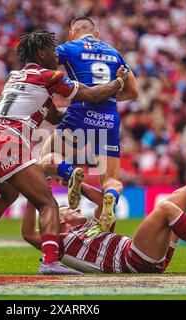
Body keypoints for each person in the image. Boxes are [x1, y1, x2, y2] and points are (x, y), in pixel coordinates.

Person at [0, 30, 130, 275]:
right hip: (6, 142)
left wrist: (75, 116)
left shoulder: (17, 77)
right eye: (51, 49)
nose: (55, 54)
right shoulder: (50, 76)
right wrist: (118, 82)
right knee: (47, 202)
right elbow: (91, 95)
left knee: (7, 196)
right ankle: (50, 262)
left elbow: (56, 116)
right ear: (40, 53)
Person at [22, 128, 186, 274]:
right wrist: (37, 192)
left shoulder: (92, 226)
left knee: (178, 197)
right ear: (61, 221)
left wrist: (77, 185)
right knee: (167, 209)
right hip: (131, 261)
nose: (77, 208)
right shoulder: (59, 242)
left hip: (144, 257)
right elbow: (28, 234)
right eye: (68, 210)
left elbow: (102, 201)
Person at [39, 17, 139, 233]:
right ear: (96, 34)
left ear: (72, 33)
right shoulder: (114, 53)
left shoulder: (68, 48)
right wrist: (108, 97)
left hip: (80, 114)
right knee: (111, 181)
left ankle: (70, 171)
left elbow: (42, 65)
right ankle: (111, 197)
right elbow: (133, 91)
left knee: (47, 159)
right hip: (109, 119)